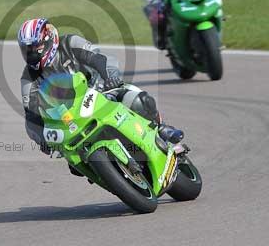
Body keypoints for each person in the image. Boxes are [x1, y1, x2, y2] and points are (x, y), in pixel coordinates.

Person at [17, 18, 184, 163]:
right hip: (71, 120)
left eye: (34, 48)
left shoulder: (70, 43)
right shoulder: (28, 78)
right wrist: (42, 139)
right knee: (73, 162)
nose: (30, 54)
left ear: (48, 40)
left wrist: (110, 76)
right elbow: (31, 115)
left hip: (101, 92)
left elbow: (99, 59)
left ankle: (162, 129)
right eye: (26, 50)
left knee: (139, 100)